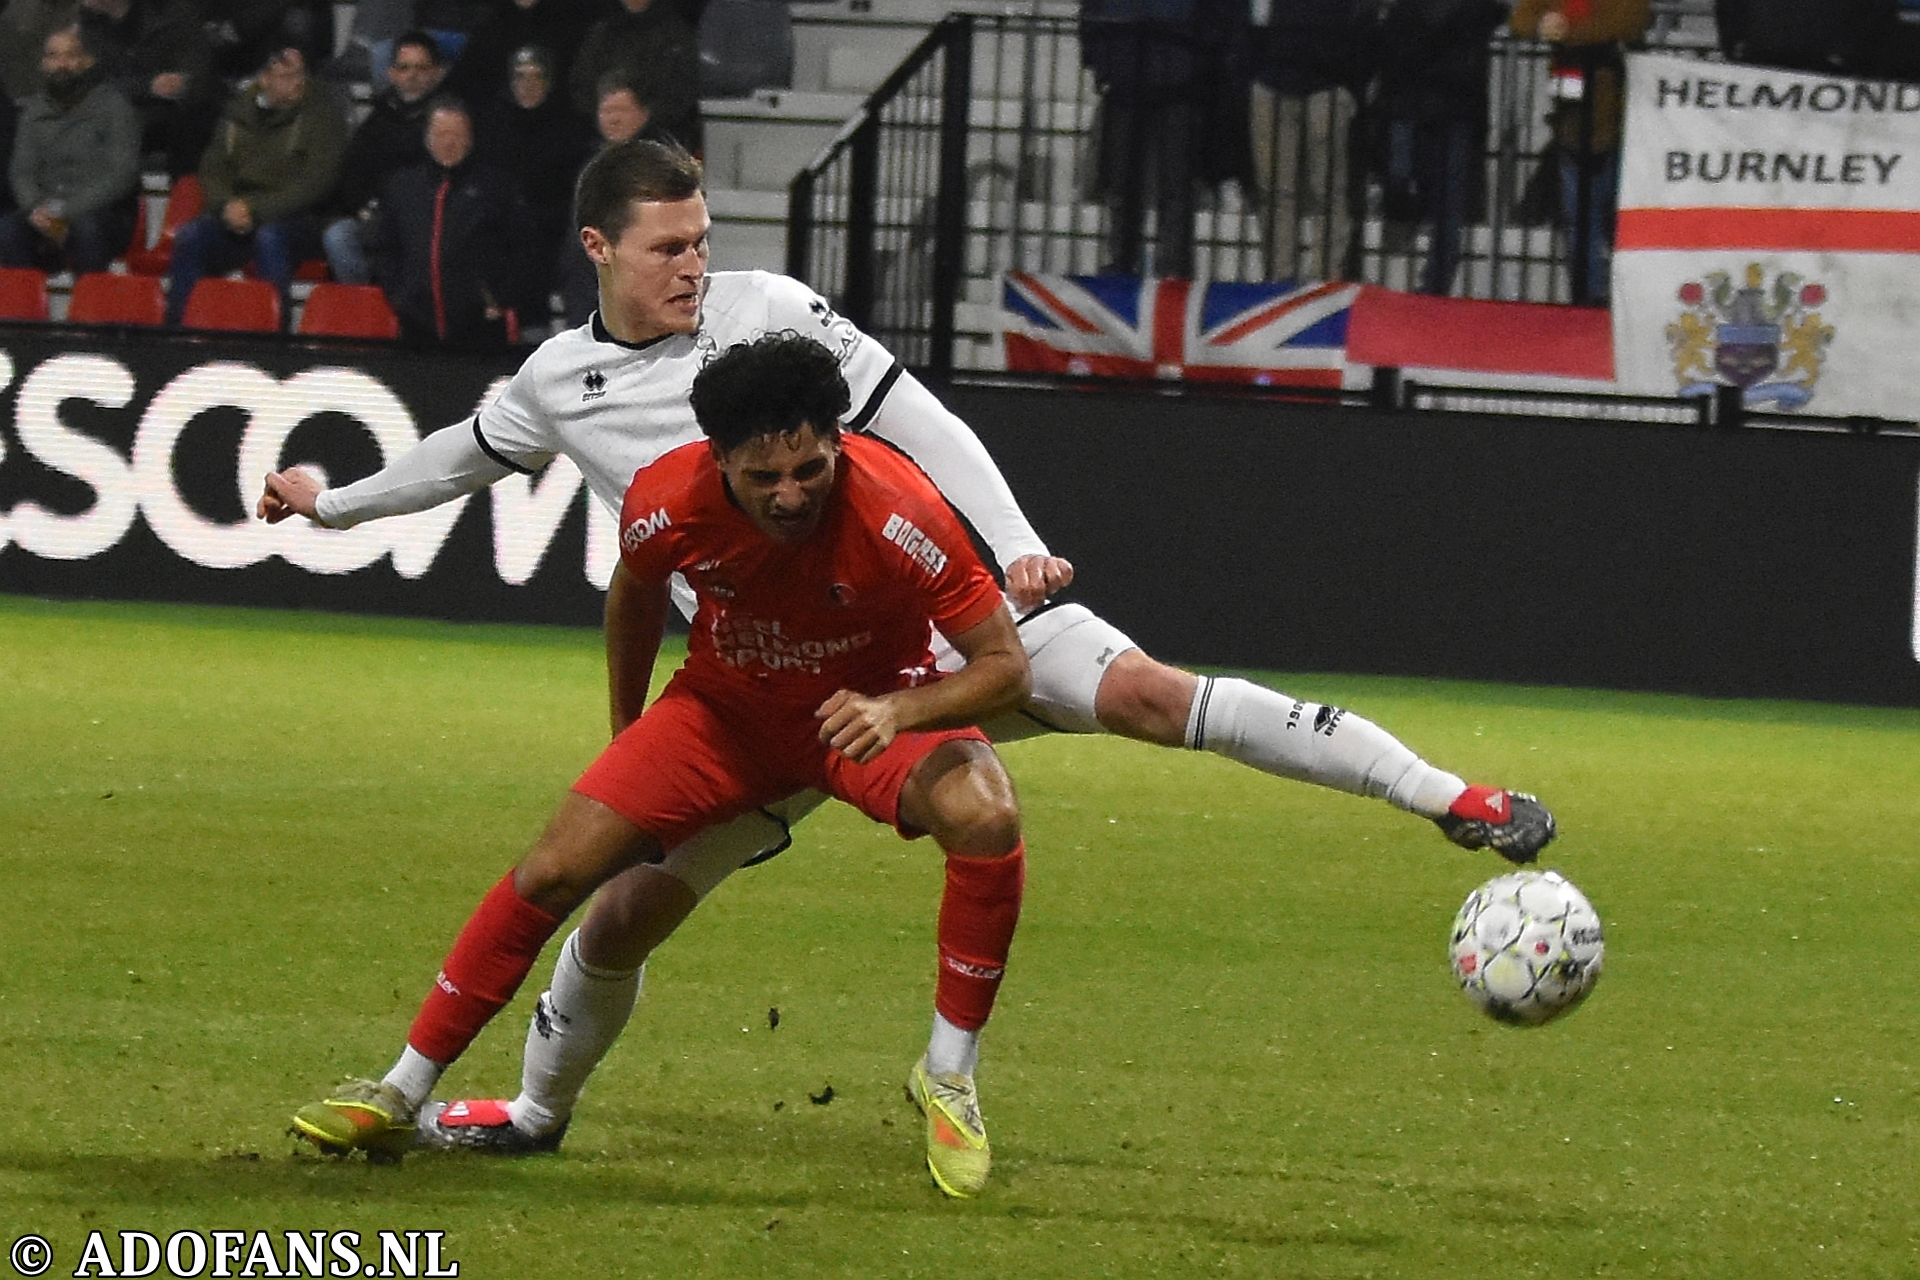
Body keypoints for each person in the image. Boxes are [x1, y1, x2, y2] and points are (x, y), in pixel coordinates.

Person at [258, 139, 1554, 1195]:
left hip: (926, 620)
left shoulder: (771, 318)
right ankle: (536, 1113)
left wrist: (1021, 548)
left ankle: (1450, 798)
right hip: (767, 683)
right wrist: (326, 505)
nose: (696, 268)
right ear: (599, 249)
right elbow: (454, 461)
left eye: (704, 239)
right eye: (668, 248)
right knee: (619, 908)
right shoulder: (561, 384)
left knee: (1156, 696)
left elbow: (919, 417)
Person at [291, 332, 1035, 1202]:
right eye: (764, 478)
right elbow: (635, 597)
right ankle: (400, 1090)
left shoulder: (902, 507)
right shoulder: (666, 498)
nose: (790, 495)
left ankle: (947, 1074)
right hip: (726, 714)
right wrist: (626, 733)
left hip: (863, 711)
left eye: (809, 469)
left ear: (837, 441)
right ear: (718, 458)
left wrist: (899, 709)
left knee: (986, 816)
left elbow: (1005, 666)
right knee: (557, 869)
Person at [165, 44, 346, 327]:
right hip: (236, 214)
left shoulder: (322, 115)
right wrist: (226, 205)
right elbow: (212, 169)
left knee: (270, 238)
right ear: (264, 78)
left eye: (300, 74)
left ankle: (273, 334)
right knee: (191, 236)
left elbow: (315, 183)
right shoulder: (237, 112)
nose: (297, 82)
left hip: (298, 220)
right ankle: (178, 331)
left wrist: (253, 208)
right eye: (286, 75)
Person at [1510, 0, 1651, 307]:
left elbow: (1630, 20)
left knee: (1613, 218)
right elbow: (1521, 19)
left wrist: (1564, 27)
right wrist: (1543, 23)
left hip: (1614, 117)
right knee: (1579, 217)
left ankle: (1613, 294)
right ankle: (1590, 293)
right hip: (1572, 117)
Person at [366, 96, 530, 347]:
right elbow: (384, 247)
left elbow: (524, 247)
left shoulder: (496, 187)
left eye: (457, 135)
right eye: (441, 134)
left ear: (471, 138)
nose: (449, 143)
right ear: (427, 136)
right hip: (416, 326)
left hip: (480, 328)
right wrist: (400, 295)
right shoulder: (403, 186)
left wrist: (500, 296)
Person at [0, 24, 141, 277]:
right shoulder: (33, 112)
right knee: (8, 229)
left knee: (86, 226)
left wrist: (64, 211)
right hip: (46, 210)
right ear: (43, 63)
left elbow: (122, 175)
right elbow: (21, 172)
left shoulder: (113, 107)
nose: (61, 64)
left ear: (87, 61)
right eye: (53, 56)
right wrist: (35, 208)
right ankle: (23, 309)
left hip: (104, 212)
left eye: (70, 55)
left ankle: (90, 309)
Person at [473, 45, 595, 338]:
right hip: (502, 227)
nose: (528, 85)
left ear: (550, 82)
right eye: (520, 77)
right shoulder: (492, 126)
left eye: (537, 77)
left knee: (539, 250)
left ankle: (538, 338)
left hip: (553, 229)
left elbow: (574, 192)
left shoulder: (570, 129)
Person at [321, 30, 446, 286]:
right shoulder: (379, 118)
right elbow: (352, 174)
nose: (412, 76)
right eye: (404, 67)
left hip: (430, 222)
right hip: (379, 218)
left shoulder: (448, 118)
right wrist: (364, 208)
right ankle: (364, 314)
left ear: (437, 73)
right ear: (391, 73)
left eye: (421, 68)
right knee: (339, 236)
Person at [77, 0, 220, 179]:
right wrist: (148, 87)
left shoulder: (171, 13)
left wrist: (179, 83)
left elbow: (196, 71)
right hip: (121, 111)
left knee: (196, 121)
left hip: (174, 113)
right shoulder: (86, 25)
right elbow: (90, 83)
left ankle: (185, 196)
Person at [568, 0, 701, 153]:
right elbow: (581, 85)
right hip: (602, 148)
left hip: (661, 147)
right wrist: (606, 112)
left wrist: (642, 115)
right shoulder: (602, 33)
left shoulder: (676, 36)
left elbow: (683, 93)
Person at [442, 0, 591, 110]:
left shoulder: (576, 21)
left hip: (563, 128)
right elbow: (463, 86)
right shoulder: (490, 26)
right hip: (498, 129)